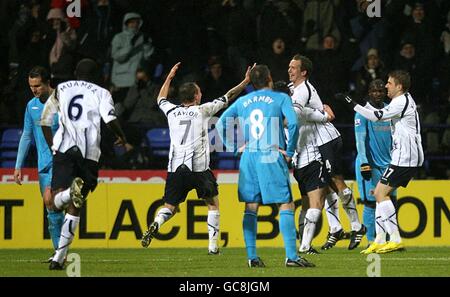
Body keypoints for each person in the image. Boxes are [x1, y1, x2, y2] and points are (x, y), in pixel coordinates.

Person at [141, 62, 254, 255]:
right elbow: (229, 96)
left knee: (169, 207)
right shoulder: (203, 110)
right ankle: (212, 246)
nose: (201, 94)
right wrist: (245, 82)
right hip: (199, 170)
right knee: (212, 204)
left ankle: (157, 223)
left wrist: (169, 76)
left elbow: (160, 98)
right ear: (195, 96)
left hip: (175, 170)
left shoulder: (171, 111)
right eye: (199, 92)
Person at [217, 64, 315, 268]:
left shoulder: (243, 100)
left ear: (252, 82)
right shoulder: (280, 98)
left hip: (249, 156)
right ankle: (291, 257)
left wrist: (234, 147)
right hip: (271, 153)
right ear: (270, 78)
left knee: (251, 207)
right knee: (285, 204)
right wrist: (289, 152)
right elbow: (295, 124)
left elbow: (220, 123)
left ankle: (252, 257)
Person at [41, 59, 131, 270]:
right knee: (77, 204)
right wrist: (122, 137)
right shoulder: (102, 92)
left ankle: (59, 256)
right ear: (97, 75)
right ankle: (59, 257)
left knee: (53, 202)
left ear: (75, 72)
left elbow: (45, 119)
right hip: (89, 152)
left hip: (64, 149)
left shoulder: (62, 88)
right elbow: (109, 119)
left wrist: (52, 143)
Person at [338, 70, 424, 254]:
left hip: (405, 158)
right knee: (378, 194)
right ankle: (378, 239)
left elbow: (376, 116)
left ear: (399, 86)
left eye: (389, 83)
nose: (386, 87)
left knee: (381, 194)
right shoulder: (399, 102)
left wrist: (351, 103)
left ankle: (395, 238)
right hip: (402, 156)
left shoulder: (400, 101)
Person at [288, 55, 366, 251]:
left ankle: (357, 226)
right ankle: (336, 227)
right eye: (289, 67)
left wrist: (322, 116)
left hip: (326, 140)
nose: (290, 70)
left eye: (294, 68)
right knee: (325, 184)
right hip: (314, 143)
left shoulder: (303, 89)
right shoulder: (293, 90)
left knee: (335, 181)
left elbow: (295, 115)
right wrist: (322, 114)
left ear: (303, 72)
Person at [14, 66, 64, 260]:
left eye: (37, 86)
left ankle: (61, 251)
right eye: (31, 86)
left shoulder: (61, 102)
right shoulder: (31, 106)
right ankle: (59, 251)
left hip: (61, 162)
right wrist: (18, 166)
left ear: (47, 83)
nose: (34, 90)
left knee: (50, 200)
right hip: (43, 164)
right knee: (51, 209)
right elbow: (27, 135)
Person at [354, 79, 397, 245]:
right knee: (371, 203)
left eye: (380, 91)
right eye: (374, 91)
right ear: (369, 92)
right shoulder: (363, 112)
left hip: (389, 165)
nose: (377, 94)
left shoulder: (390, 111)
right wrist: (364, 162)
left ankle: (389, 239)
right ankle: (372, 241)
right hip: (370, 165)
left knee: (390, 202)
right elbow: (360, 140)